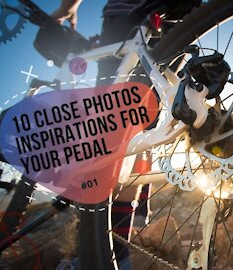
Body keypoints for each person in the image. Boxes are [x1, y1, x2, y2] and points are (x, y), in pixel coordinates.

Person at [52, 1, 151, 269]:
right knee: (141, 124)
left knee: (109, 128)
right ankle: (118, 248)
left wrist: (67, 7)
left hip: (127, 14)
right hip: (177, 15)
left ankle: (102, 251)